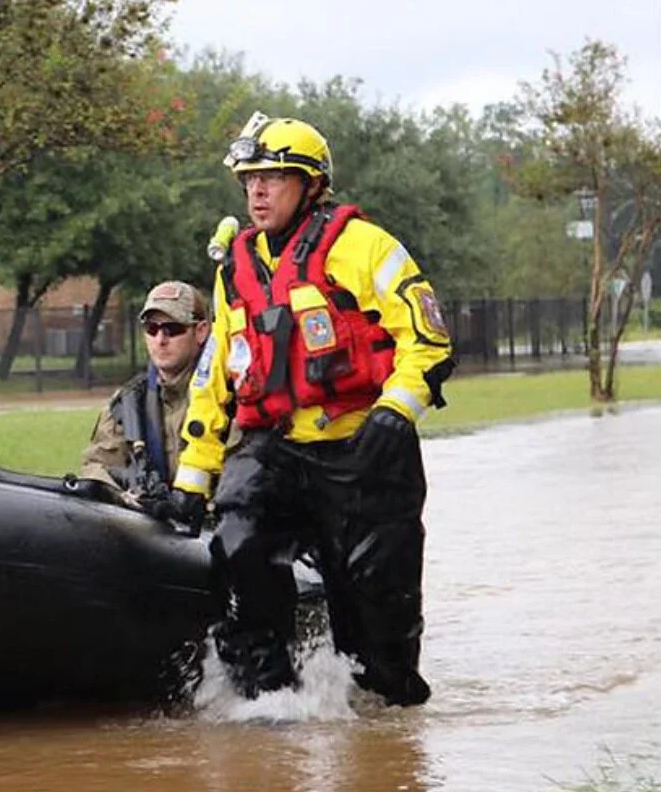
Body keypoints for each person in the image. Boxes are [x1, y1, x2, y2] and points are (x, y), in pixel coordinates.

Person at [166, 112, 454, 706]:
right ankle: (268, 703)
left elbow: (427, 338)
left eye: (272, 178)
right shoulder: (234, 273)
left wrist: (395, 412)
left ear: (310, 184)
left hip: (363, 451)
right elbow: (215, 377)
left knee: (376, 611)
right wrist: (192, 479)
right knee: (239, 533)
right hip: (277, 447)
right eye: (249, 180)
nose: (257, 192)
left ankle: (387, 713)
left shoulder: (365, 247)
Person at [78, 281, 210, 512]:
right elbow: (97, 466)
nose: (160, 339)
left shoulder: (226, 396)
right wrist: (123, 497)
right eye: (151, 328)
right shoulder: (130, 401)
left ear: (200, 331)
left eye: (172, 329)